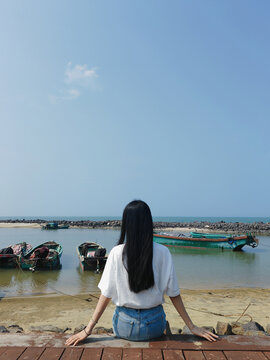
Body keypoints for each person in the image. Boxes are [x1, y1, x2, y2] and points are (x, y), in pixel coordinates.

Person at [66, 200, 218, 346]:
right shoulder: (163, 252)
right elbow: (174, 293)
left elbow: (106, 294)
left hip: (125, 326)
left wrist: (87, 330)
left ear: (126, 224)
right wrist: (191, 326)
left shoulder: (116, 253)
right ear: (148, 222)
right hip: (154, 326)